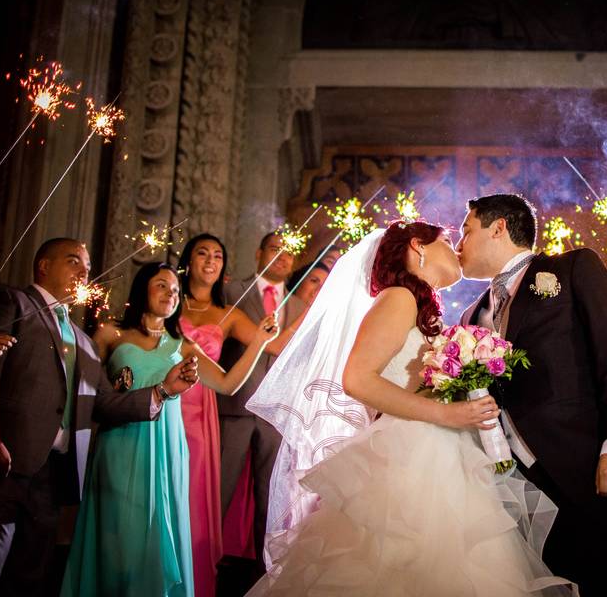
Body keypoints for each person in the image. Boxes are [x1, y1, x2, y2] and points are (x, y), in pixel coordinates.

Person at [246, 221, 576, 595]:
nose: (457, 248)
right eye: (449, 240)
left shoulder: (416, 305)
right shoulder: (398, 297)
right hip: (409, 458)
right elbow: (357, 379)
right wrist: (445, 413)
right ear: (418, 247)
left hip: (442, 454)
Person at [0, 239, 198, 596]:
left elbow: (105, 402)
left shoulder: (83, 340)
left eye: (86, 266)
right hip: (7, 459)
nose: (84, 272)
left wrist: (163, 390)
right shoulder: (13, 302)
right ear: (43, 266)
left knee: (31, 575)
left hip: (53, 472)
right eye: (73, 262)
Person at [458, 194, 607, 596]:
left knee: (605, 580)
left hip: (582, 462)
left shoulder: (573, 268)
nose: (459, 244)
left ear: (499, 227)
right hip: (507, 482)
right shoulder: (471, 316)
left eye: (466, 230)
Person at [61, 262, 278, 596]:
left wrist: (259, 342)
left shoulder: (182, 344)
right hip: (119, 443)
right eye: (162, 285)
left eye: (176, 290)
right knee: (118, 534)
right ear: (142, 289)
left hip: (166, 447)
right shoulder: (109, 334)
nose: (170, 293)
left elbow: (227, 384)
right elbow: (88, 395)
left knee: (157, 534)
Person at [217, 232, 307, 574]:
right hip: (235, 405)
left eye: (288, 253)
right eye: (274, 249)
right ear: (258, 252)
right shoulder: (230, 291)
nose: (282, 257)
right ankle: (204, 566)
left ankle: (263, 573)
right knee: (220, 490)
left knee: (271, 497)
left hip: (277, 414)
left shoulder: (300, 306)